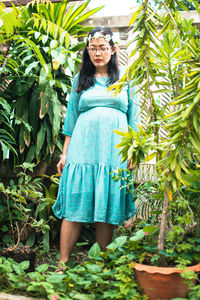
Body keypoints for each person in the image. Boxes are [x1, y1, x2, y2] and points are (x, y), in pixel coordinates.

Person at [52, 26, 140, 271]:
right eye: (93, 48)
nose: (97, 53)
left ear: (113, 50)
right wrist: (65, 153)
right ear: (87, 51)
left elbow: (135, 117)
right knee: (75, 202)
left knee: (107, 203)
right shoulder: (81, 80)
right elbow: (71, 118)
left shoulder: (125, 78)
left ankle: (102, 266)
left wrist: (133, 150)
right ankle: (63, 264)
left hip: (114, 151)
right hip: (82, 150)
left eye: (102, 48)